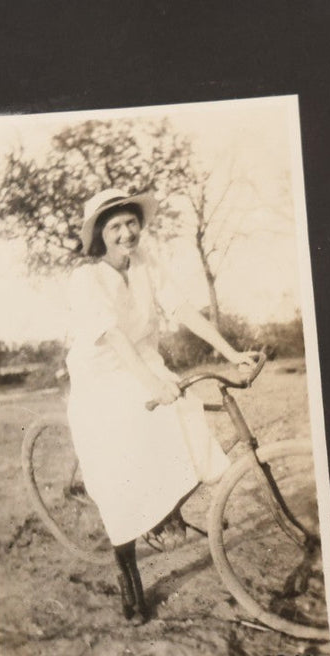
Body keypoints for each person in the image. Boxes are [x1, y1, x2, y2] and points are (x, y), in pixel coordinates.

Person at [64, 188, 255, 623]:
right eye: (115, 227)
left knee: (186, 417)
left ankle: (165, 512)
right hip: (104, 377)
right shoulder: (85, 278)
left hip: (145, 364)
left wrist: (229, 352)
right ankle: (127, 577)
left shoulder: (146, 265)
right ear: (99, 236)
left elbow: (184, 309)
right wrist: (151, 384)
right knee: (122, 467)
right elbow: (112, 337)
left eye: (131, 222)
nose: (126, 232)